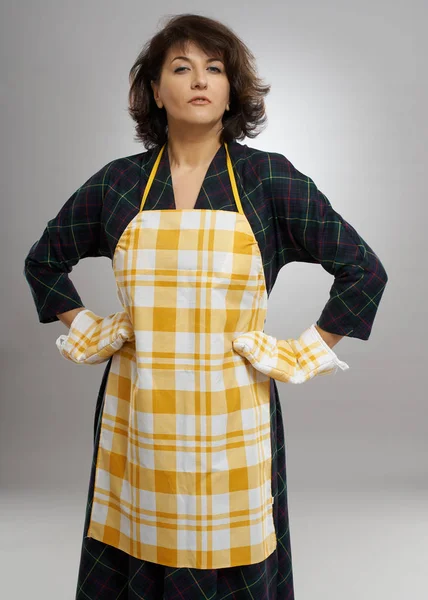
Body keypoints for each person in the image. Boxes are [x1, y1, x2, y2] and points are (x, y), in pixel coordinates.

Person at [23, 13, 388, 600]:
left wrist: (305, 353)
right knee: (134, 541)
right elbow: (43, 260)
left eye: (214, 69)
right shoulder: (119, 184)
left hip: (233, 419)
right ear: (155, 91)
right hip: (138, 415)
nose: (200, 80)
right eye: (182, 68)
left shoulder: (268, 179)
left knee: (232, 549)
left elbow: (364, 270)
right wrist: (90, 327)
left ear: (230, 90)